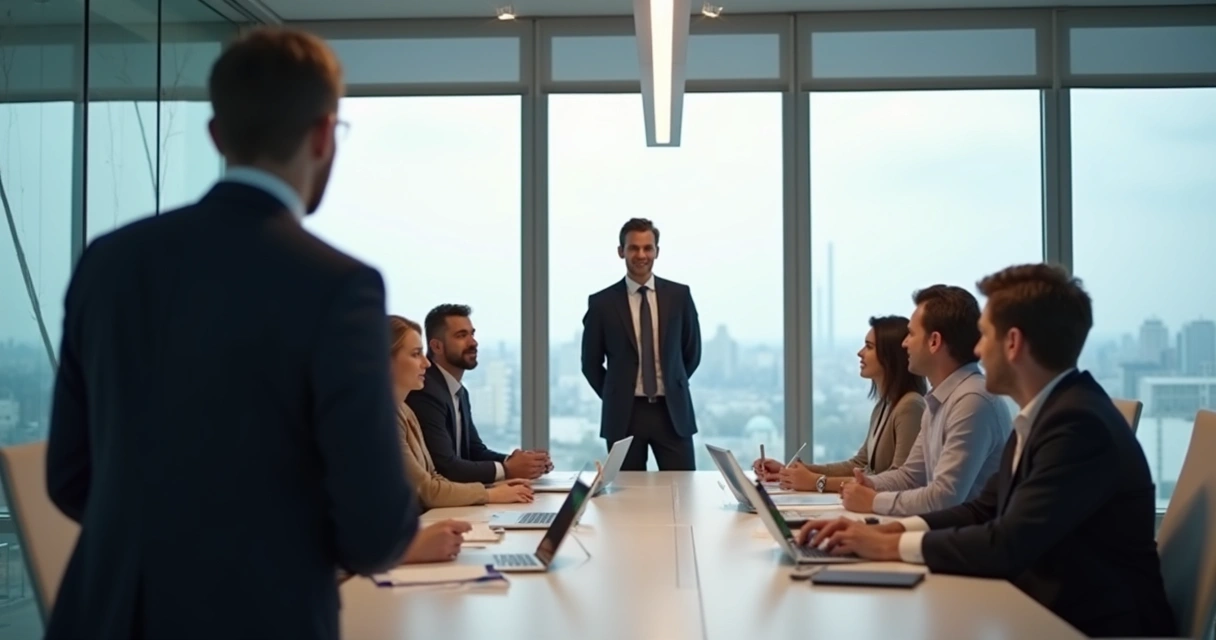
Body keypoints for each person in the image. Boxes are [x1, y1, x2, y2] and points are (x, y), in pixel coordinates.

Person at [44, 28, 419, 640]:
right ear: (324, 135)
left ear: (217, 135)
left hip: (107, 615)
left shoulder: (108, 262)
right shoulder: (338, 286)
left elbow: (68, 476)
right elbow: (376, 531)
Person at [798, 264, 1176, 639]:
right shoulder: (1046, 414)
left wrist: (890, 545)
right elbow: (983, 509)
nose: (976, 350)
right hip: (1042, 610)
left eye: (985, 336)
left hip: (1090, 627)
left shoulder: (1077, 425)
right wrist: (888, 531)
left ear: (1012, 343)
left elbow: (1007, 543)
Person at [838, 285, 1012, 516]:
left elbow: (945, 497)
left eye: (911, 334)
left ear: (934, 341)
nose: (904, 343)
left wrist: (874, 501)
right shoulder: (940, 399)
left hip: (968, 535)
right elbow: (911, 476)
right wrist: (870, 485)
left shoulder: (972, 401)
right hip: (946, 531)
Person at [581, 218, 702, 471]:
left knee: (682, 487)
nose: (641, 255)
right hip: (624, 415)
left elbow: (691, 352)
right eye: (633, 248)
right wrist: (616, 394)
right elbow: (590, 363)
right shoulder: (602, 303)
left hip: (672, 413)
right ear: (621, 251)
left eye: (648, 248)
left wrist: (673, 382)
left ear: (657, 251)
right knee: (626, 491)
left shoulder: (679, 296)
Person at [753, 315, 926, 492]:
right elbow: (860, 464)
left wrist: (817, 482)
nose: (860, 353)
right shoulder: (884, 405)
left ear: (890, 356)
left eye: (869, 347)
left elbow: (901, 480)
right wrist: (789, 472)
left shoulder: (910, 406)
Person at [389, 315, 534, 508]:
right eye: (416, 354)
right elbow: (427, 490)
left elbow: (435, 477)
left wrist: (492, 488)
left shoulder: (405, 410)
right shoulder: (383, 420)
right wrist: (490, 492)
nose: (426, 363)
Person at [408, 304, 551, 484]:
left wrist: (522, 463)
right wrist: (508, 469)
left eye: (472, 334)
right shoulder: (425, 391)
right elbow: (446, 467)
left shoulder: (459, 392)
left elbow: (474, 451)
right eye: (461, 336)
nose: (473, 343)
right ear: (437, 346)